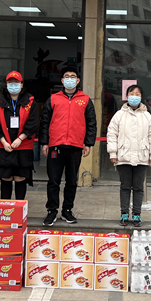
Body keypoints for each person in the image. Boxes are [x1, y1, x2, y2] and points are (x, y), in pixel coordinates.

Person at [39, 66, 97, 226]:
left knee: (71, 181)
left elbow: (91, 123)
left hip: (75, 146)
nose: (69, 79)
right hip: (55, 146)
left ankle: (67, 210)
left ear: (78, 80)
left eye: (73, 76)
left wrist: (88, 143)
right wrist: (44, 142)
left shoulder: (85, 100)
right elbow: (45, 122)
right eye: (66, 76)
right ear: (62, 80)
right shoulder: (53, 98)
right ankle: (51, 211)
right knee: (53, 181)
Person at [106, 85, 151, 227]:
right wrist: (113, 153)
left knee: (138, 187)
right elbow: (112, 134)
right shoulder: (119, 115)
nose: (134, 96)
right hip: (123, 156)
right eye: (131, 93)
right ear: (127, 96)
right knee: (125, 186)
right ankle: (124, 213)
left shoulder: (147, 116)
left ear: (141, 97)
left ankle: (137, 215)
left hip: (142, 156)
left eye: (137, 94)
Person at [0, 71, 40, 200]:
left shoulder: (30, 102)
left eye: (16, 82)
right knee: (6, 177)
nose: (13, 85)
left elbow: (34, 122)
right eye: (10, 82)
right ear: (6, 84)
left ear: (22, 84)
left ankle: (19, 207)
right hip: (5, 146)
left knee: (20, 177)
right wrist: (3, 141)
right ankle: (5, 207)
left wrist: (20, 138)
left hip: (23, 146)